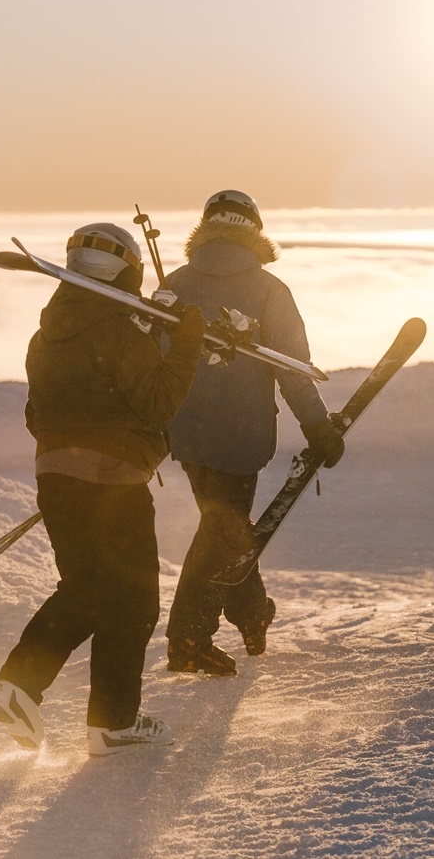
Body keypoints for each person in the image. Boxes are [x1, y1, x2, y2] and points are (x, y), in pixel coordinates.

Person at [0, 222, 205, 756]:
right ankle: (110, 722)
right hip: (113, 481)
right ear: (125, 270)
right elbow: (157, 403)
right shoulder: (119, 328)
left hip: (56, 476)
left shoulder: (45, 335)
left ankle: (24, 687)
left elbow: (36, 414)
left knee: (87, 588)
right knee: (131, 600)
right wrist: (185, 347)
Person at [163, 190, 344, 676]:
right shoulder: (269, 290)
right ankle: (186, 638)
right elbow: (292, 369)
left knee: (225, 527)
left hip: (183, 430)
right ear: (254, 231)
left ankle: (249, 612)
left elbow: (151, 356)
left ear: (205, 228)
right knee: (220, 531)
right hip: (240, 435)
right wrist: (319, 428)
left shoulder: (174, 283)